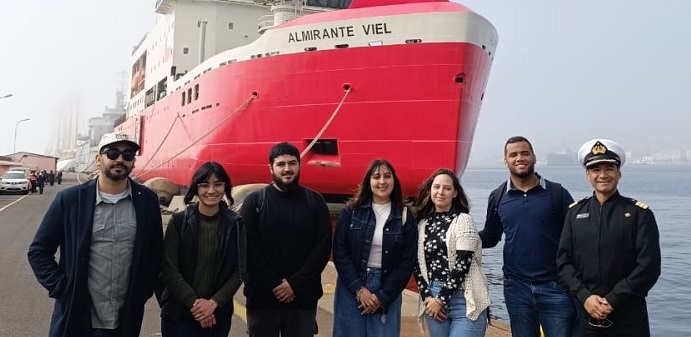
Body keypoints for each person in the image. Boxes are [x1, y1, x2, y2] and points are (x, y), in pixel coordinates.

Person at [28, 132, 163, 337]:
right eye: (112, 153)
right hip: (77, 316)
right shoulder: (70, 200)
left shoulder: (147, 201)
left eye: (128, 155)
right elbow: (38, 251)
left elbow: (155, 253)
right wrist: (62, 288)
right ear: (98, 159)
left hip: (124, 318)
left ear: (133, 162)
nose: (120, 159)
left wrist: (143, 290)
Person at [557, 139, 661, 337]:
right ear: (588, 175)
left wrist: (613, 299)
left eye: (609, 168)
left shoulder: (639, 214)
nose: (602, 175)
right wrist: (585, 297)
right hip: (587, 315)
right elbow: (563, 262)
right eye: (595, 169)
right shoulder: (574, 213)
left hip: (628, 316)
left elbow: (649, 267)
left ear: (618, 172)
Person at [478, 136, 577, 337]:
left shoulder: (557, 193)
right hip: (517, 288)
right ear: (505, 161)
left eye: (524, 153)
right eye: (513, 155)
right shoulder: (498, 197)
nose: (519, 158)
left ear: (534, 157)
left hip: (555, 286)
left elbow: (577, 236)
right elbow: (491, 236)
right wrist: (456, 237)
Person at [239, 142, 332, 337]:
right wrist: (276, 284)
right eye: (281, 164)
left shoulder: (315, 201)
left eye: (292, 163)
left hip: (303, 299)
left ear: (300, 165)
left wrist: (294, 284)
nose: (287, 169)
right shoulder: (254, 202)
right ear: (271, 168)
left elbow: (322, 248)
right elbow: (248, 249)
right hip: (262, 300)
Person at [332, 159, 417, 337]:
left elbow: (407, 260)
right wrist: (358, 288)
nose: (382, 182)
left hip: (387, 285)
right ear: (368, 182)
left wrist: (383, 296)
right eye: (376, 177)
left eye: (387, 176)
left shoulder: (405, 215)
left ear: (394, 181)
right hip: (352, 286)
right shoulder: (351, 211)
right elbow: (340, 252)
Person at [160, 161, 246, 337]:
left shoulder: (235, 225)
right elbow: (169, 267)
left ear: (225, 187)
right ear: (195, 189)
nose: (211, 190)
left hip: (217, 315)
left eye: (218, 184)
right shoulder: (178, 221)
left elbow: (239, 270)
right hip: (179, 314)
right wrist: (197, 306)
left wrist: (213, 304)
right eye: (204, 185)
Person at [412, 168, 490, 337]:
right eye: (436, 187)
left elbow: (463, 264)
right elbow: (417, 265)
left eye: (447, 188)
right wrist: (428, 297)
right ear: (430, 190)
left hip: (464, 298)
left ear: (455, 193)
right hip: (432, 296)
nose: (440, 192)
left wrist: (441, 300)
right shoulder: (422, 224)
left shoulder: (463, 221)